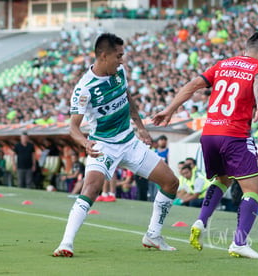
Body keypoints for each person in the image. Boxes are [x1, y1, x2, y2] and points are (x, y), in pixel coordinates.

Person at [53, 33, 179, 257]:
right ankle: (66, 243)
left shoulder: (120, 72)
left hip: (129, 142)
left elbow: (127, 97)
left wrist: (140, 126)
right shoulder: (85, 88)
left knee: (171, 183)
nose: (122, 61)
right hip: (103, 145)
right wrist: (84, 142)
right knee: (90, 189)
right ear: (104, 56)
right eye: (118, 56)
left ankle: (153, 235)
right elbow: (72, 127)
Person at [153, 32, 258, 259]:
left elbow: (192, 85)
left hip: (209, 134)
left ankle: (201, 220)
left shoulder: (223, 65)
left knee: (223, 179)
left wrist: (169, 110)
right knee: (253, 189)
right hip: (234, 134)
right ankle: (239, 242)